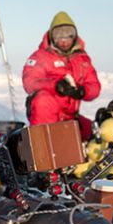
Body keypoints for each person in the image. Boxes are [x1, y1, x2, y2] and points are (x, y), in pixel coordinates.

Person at [22, 11, 101, 141]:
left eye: (68, 35)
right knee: (43, 100)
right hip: (47, 117)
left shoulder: (82, 59)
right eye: (58, 36)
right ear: (51, 36)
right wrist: (56, 85)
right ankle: (43, 146)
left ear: (74, 36)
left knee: (101, 134)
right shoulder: (40, 57)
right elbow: (30, 82)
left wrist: (82, 91)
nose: (64, 41)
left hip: (71, 117)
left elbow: (94, 86)